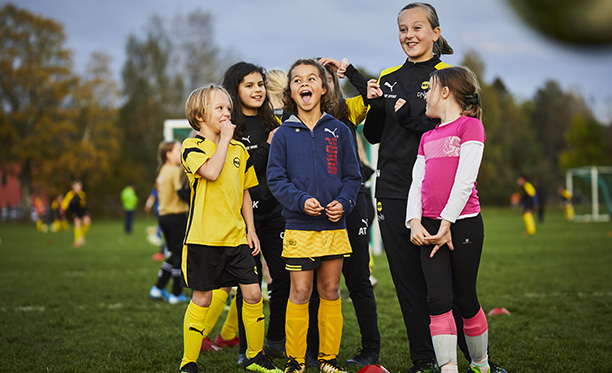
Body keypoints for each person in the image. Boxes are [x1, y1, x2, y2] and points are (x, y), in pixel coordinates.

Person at [178, 84, 282, 373]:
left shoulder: (238, 149)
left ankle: (253, 356)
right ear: (199, 115)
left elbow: (246, 191)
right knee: (203, 298)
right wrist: (224, 139)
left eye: (228, 108)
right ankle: (189, 362)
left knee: (252, 295)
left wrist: (251, 229)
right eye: (219, 108)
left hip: (236, 238)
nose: (226, 113)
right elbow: (211, 172)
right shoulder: (191, 147)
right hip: (203, 239)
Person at [267, 59, 362, 373]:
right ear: (291, 92)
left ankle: (327, 360)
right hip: (299, 228)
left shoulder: (339, 130)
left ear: (323, 88)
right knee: (300, 291)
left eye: (311, 78)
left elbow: (353, 177)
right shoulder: (282, 134)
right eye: (296, 80)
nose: (304, 83)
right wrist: (300, 200)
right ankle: (295, 361)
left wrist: (344, 203)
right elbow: (276, 180)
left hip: (334, 227)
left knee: (330, 291)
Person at [406, 66, 490, 373]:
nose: (425, 95)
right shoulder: (427, 136)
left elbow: (465, 181)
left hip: (463, 224)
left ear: (445, 93)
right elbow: (417, 182)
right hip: (429, 228)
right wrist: (414, 221)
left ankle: (481, 365)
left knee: (466, 300)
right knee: (438, 301)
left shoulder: (470, 127)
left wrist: (447, 224)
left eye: (430, 88)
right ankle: (449, 369)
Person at [313, 59, 381, 368]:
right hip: (313, 211)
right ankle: (314, 350)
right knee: (315, 283)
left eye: (319, 78)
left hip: (352, 206)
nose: (312, 84)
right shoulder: (294, 118)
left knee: (358, 280)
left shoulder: (347, 110)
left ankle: (370, 349)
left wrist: (349, 71)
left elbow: (373, 95)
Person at [221, 62, 288, 363]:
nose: (258, 90)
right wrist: (267, 149)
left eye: (260, 84)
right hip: (242, 217)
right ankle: (247, 350)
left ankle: (274, 340)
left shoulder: (272, 122)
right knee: (250, 285)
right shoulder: (227, 126)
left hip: (275, 213)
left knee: (285, 281)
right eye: (249, 85)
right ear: (235, 90)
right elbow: (238, 170)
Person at [149, 141, 190, 305]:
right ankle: (176, 294)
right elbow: (180, 192)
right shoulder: (174, 170)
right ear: (168, 154)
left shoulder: (162, 171)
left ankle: (158, 288)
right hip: (176, 216)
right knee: (179, 255)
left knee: (173, 253)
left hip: (164, 217)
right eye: (178, 150)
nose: (180, 152)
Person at [61, 180, 91, 248]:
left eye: (80, 186)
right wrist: (63, 211)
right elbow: (64, 204)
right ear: (73, 187)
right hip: (74, 211)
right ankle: (77, 241)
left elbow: (83, 204)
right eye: (77, 185)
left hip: (81, 211)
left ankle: (81, 236)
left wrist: (86, 212)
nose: (79, 187)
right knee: (77, 223)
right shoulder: (70, 194)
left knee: (87, 222)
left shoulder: (82, 194)